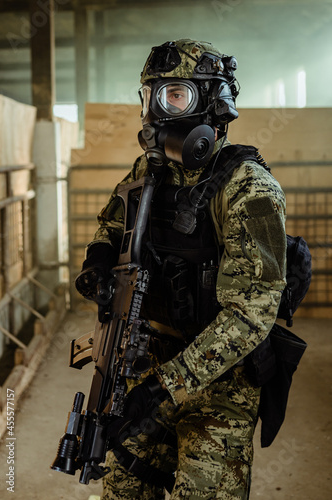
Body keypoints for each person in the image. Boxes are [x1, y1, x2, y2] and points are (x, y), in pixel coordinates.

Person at [75, 39, 287, 500]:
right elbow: (111, 226)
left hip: (218, 379)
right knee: (121, 487)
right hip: (146, 358)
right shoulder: (149, 170)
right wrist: (99, 259)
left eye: (173, 95)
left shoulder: (250, 190)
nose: (155, 113)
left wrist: (164, 389)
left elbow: (250, 316)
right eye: (149, 96)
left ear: (212, 100)